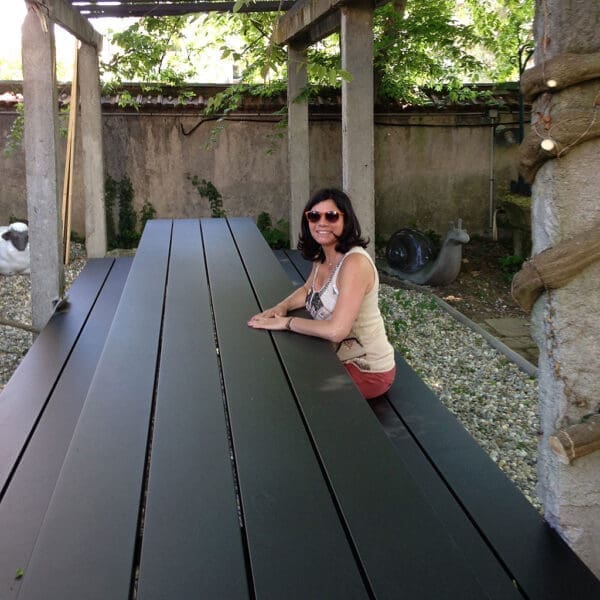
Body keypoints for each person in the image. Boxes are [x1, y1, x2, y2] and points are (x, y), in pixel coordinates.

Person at [248, 188, 396, 399]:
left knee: (285, 391)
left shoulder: (354, 263)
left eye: (332, 216)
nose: (322, 222)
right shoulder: (324, 254)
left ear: (347, 220)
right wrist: (281, 307)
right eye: (314, 216)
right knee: (272, 366)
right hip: (330, 355)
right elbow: (307, 290)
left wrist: (287, 322)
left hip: (367, 369)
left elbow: (337, 331)